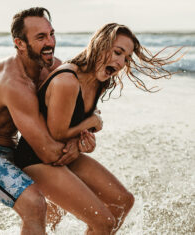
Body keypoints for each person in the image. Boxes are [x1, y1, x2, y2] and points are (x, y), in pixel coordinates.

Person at [14, 23, 182, 234]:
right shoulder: (67, 80)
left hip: (61, 155)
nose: (121, 62)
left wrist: (81, 140)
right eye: (117, 52)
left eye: (127, 58)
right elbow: (57, 132)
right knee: (104, 222)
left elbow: (74, 125)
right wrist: (93, 122)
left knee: (123, 202)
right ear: (100, 45)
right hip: (35, 160)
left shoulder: (99, 81)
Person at [0, 7, 95, 235]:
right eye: (40, 37)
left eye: (51, 34)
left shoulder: (54, 68)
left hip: (17, 149)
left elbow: (81, 112)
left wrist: (82, 137)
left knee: (57, 206)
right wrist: (76, 146)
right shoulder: (13, 82)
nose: (50, 42)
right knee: (34, 204)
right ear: (19, 43)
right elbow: (50, 152)